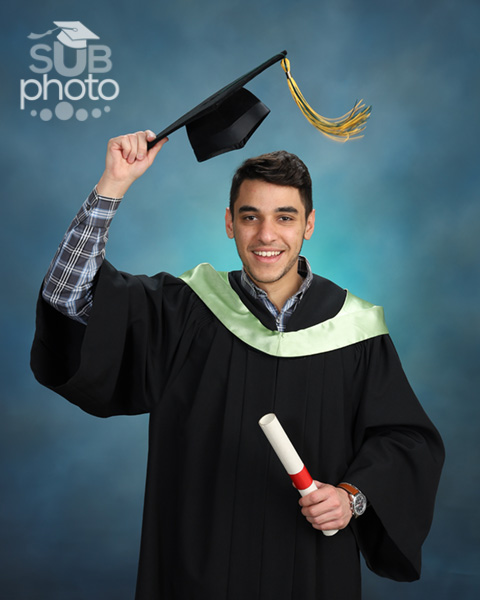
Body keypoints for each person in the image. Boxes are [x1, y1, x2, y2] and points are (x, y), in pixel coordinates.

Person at [31, 130, 445, 600]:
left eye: (284, 217)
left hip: (309, 573)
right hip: (197, 569)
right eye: (251, 217)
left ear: (308, 224)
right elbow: (70, 297)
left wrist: (351, 497)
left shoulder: (355, 329)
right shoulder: (185, 309)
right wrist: (112, 185)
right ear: (230, 223)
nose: (266, 235)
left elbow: (406, 440)